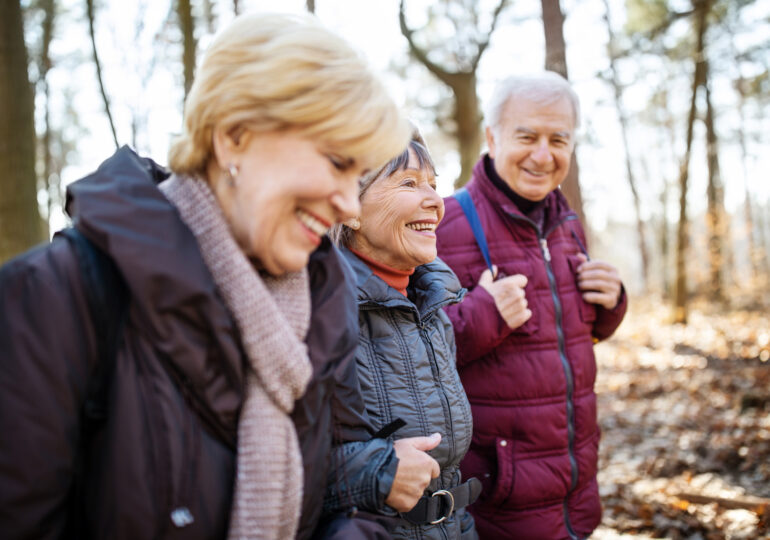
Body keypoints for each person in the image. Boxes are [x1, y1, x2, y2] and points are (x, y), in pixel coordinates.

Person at [0, 12, 410, 540]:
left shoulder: (325, 306)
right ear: (233, 136)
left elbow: (347, 497)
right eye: (336, 161)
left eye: (359, 178)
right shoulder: (54, 298)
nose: (350, 205)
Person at [435, 72, 627, 540]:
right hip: (498, 509)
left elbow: (564, 336)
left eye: (559, 139)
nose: (544, 155)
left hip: (576, 497)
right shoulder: (441, 225)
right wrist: (483, 314)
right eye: (528, 137)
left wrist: (611, 305)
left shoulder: (566, 225)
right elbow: (405, 359)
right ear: (491, 136)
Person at [323, 128, 479, 540]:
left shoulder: (432, 301)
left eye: (433, 183)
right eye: (409, 183)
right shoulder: (318, 307)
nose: (434, 200)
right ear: (350, 208)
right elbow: (270, 465)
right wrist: (373, 472)